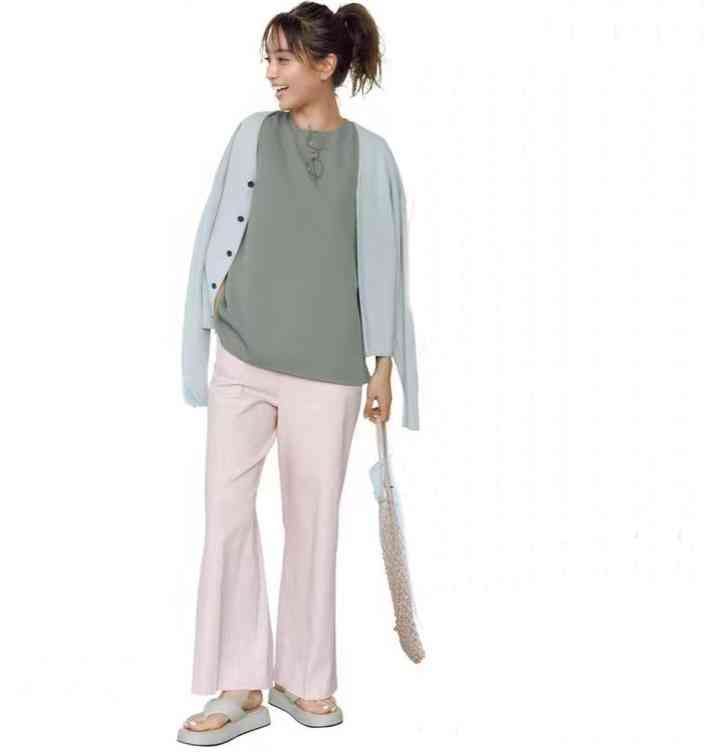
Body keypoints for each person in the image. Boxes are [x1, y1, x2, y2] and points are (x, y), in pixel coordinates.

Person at [177, 2, 419, 744]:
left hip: (328, 369)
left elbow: (385, 267)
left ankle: (305, 678)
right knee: (226, 514)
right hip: (243, 354)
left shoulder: (370, 154)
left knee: (313, 524)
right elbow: (215, 227)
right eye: (268, 59)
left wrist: (383, 367)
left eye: (284, 59)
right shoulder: (251, 135)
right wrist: (212, 306)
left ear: (326, 65)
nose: (271, 73)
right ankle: (239, 684)